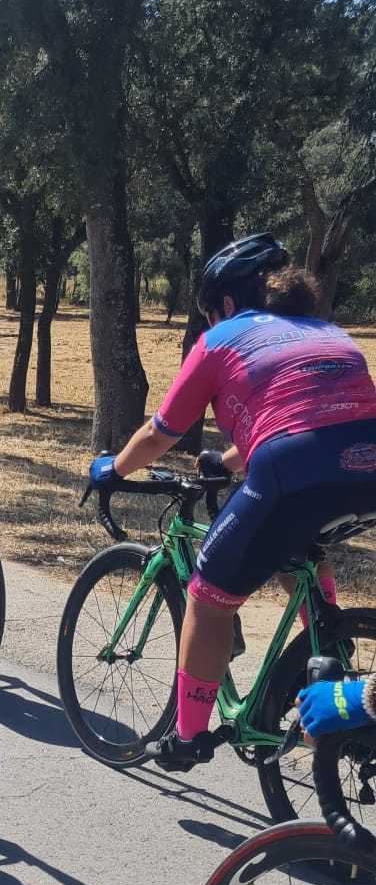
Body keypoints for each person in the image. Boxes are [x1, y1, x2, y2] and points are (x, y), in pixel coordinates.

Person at [91, 234, 376, 770]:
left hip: (294, 472)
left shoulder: (222, 339)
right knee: (299, 546)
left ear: (224, 302)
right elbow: (307, 418)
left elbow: (161, 433)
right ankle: (333, 636)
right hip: (367, 465)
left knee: (207, 593)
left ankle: (188, 736)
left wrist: (113, 468)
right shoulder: (329, 333)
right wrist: (224, 464)